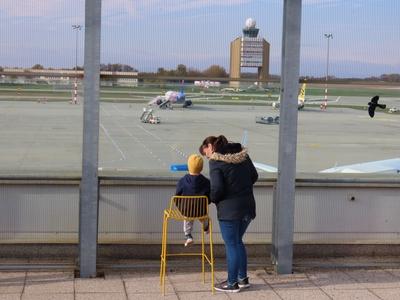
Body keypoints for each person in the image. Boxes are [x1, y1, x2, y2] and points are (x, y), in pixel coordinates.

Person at [199, 135, 258, 293]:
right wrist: (240, 187)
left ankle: (232, 284)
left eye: (206, 154)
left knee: (232, 245)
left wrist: (210, 198)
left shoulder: (216, 162)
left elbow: (217, 190)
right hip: (248, 207)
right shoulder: (243, 155)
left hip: (229, 211)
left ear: (210, 147)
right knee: (238, 242)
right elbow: (254, 176)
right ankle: (242, 278)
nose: (208, 157)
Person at [176, 154, 211, 247]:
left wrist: (180, 207)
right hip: (201, 210)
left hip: (186, 210)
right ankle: (205, 225)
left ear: (189, 166)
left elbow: (177, 196)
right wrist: (207, 202)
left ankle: (188, 236)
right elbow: (210, 196)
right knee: (202, 214)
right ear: (201, 167)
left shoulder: (183, 180)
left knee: (187, 217)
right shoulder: (206, 181)